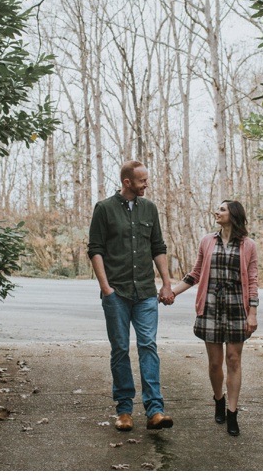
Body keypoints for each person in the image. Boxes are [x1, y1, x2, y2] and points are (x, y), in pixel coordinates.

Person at [88, 160, 175, 432]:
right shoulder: (104, 209)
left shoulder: (149, 208)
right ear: (128, 182)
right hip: (117, 293)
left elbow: (158, 247)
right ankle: (124, 410)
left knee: (148, 346)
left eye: (146, 180)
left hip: (146, 293)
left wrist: (166, 284)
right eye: (142, 181)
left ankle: (155, 411)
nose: (146, 184)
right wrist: (106, 288)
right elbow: (95, 249)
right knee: (121, 349)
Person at [169, 200, 258, 436]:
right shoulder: (207, 240)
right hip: (210, 306)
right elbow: (196, 273)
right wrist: (172, 291)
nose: (216, 212)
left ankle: (232, 412)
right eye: (218, 209)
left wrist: (253, 312)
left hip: (237, 307)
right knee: (215, 363)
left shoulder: (249, 245)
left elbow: (253, 279)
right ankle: (219, 399)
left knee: (234, 360)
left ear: (233, 214)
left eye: (222, 209)